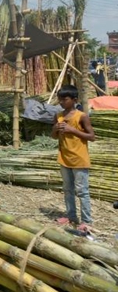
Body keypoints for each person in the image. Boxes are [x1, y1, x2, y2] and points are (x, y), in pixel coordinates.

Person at [51, 85, 96, 235]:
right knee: (67, 189)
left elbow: (92, 137)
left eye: (65, 99)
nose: (62, 102)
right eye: (60, 99)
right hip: (64, 157)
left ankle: (86, 221)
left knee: (82, 191)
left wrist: (73, 130)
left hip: (79, 159)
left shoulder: (82, 116)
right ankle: (71, 216)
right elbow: (54, 136)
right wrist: (55, 129)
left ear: (74, 100)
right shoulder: (58, 116)